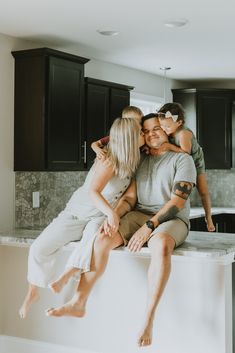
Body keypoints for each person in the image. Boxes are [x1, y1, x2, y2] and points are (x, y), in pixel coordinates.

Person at [46, 114, 196, 348]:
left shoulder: (182, 160)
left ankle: (148, 318)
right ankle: (78, 302)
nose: (152, 133)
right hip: (139, 214)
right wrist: (113, 215)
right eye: (146, 131)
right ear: (142, 135)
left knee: (161, 244)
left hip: (172, 218)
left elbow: (177, 202)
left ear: (166, 131)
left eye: (157, 128)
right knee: (102, 237)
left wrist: (149, 227)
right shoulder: (141, 159)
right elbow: (129, 198)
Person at [19, 117, 144, 319]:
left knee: (92, 240)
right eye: (140, 132)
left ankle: (67, 275)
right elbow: (94, 192)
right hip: (77, 212)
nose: (144, 134)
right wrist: (112, 213)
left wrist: (111, 215)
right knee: (39, 248)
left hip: (97, 216)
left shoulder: (134, 160)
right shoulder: (109, 160)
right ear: (130, 138)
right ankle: (32, 291)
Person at [155, 102, 215, 232]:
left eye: (167, 126)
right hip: (180, 165)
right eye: (162, 126)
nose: (164, 129)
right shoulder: (169, 131)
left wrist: (169, 146)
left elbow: (186, 152)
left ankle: (208, 217)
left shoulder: (183, 134)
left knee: (203, 191)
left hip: (195, 161)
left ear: (179, 123)